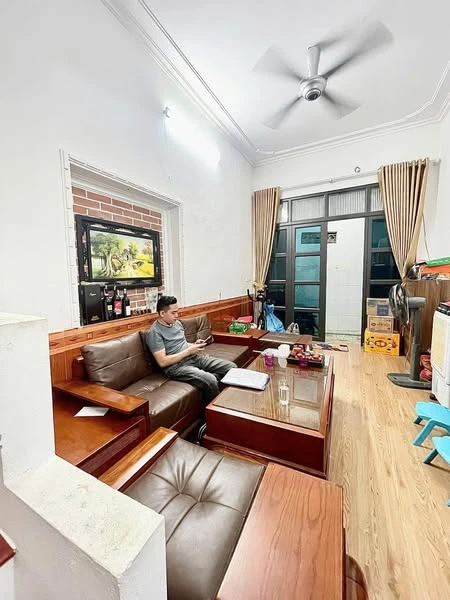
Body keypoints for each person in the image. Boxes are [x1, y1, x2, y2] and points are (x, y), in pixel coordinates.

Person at [146, 295, 236, 401]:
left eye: (177, 312)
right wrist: (188, 351)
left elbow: (181, 344)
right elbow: (163, 362)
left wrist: (193, 344)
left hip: (192, 357)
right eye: (173, 313)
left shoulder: (177, 323)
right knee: (211, 380)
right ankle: (216, 407)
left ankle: (232, 399)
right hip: (176, 367)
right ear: (162, 313)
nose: (177, 315)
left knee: (231, 367)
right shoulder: (154, 332)